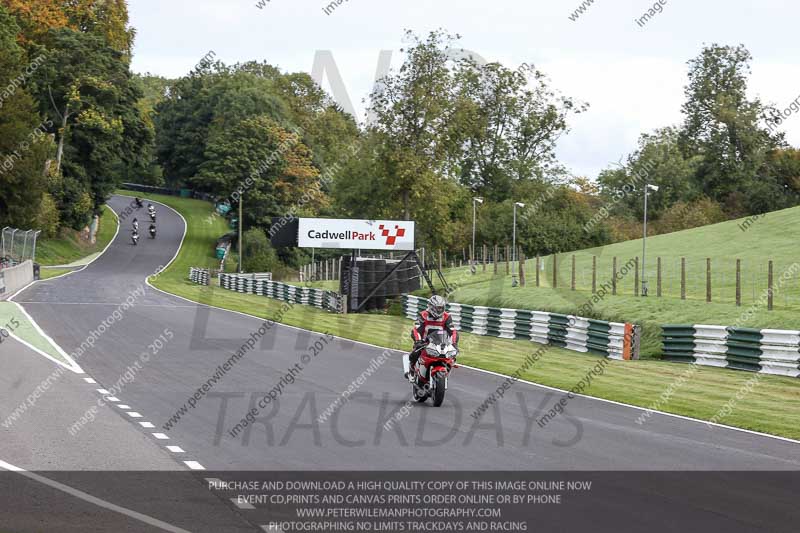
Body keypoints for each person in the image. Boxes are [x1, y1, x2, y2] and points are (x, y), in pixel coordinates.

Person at [404, 294, 458, 381]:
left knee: (452, 356)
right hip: (424, 343)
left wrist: (454, 343)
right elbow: (416, 330)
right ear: (432, 307)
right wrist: (418, 341)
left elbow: (453, 331)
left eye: (441, 308)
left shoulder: (447, 317)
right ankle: (412, 370)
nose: (439, 310)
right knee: (414, 354)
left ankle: (444, 373)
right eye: (437, 308)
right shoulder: (423, 315)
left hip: (441, 343)